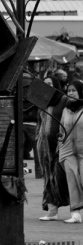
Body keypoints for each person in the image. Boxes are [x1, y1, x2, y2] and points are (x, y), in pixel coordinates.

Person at [38, 76, 70, 220]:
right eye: (45, 84)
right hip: (43, 147)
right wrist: (37, 137)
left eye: (50, 83)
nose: (47, 86)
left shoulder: (64, 100)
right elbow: (40, 121)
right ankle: (52, 211)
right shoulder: (42, 100)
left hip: (59, 146)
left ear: (56, 85)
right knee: (48, 177)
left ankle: (75, 210)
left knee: (63, 177)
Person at [59, 80, 83, 223]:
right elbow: (62, 130)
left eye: (74, 90)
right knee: (72, 180)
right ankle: (75, 213)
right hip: (67, 151)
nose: (71, 93)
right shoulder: (65, 109)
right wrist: (60, 145)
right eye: (68, 91)